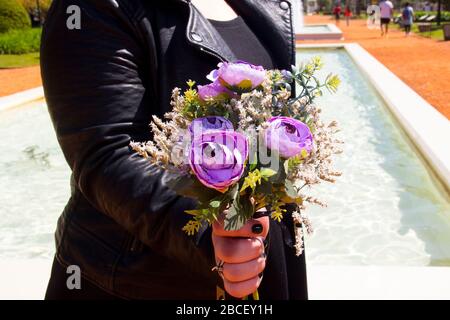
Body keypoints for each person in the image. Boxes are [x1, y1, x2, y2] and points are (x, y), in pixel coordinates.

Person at [41, 0, 308, 300]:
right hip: (142, 281)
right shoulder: (91, 8)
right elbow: (107, 154)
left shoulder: (258, 5)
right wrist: (211, 232)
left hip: (257, 257)